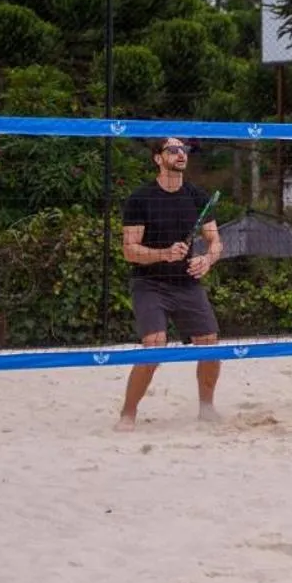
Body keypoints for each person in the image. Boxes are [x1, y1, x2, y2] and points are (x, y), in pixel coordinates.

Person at [115, 137, 224, 432]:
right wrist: (163, 253)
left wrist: (207, 260)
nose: (180, 154)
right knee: (154, 345)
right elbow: (129, 250)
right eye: (173, 149)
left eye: (184, 150)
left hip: (186, 283)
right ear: (157, 158)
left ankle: (206, 407)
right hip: (149, 283)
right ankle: (128, 412)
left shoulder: (197, 196)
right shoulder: (141, 199)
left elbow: (215, 242)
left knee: (210, 346)